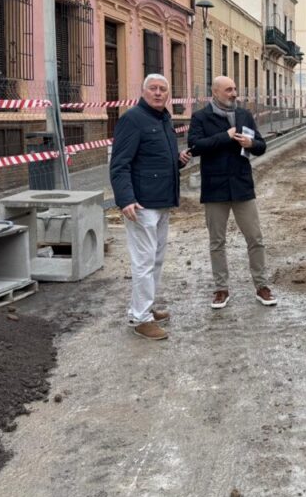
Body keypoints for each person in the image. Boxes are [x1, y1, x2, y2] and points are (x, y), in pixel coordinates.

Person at [109, 74, 191, 341]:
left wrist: (176, 161)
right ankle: (140, 318)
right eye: (153, 89)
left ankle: (146, 307)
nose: (158, 93)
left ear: (168, 94)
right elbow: (120, 163)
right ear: (143, 92)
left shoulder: (163, 119)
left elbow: (153, 157)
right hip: (142, 204)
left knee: (155, 259)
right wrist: (125, 199)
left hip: (162, 200)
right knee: (143, 262)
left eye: (163, 89)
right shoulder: (132, 119)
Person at [188, 75, 276, 310]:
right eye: (229, 90)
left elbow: (261, 146)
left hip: (242, 186)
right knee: (217, 241)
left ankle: (261, 286)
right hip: (214, 188)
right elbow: (195, 147)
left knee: (255, 238)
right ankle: (221, 289)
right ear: (215, 92)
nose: (234, 93)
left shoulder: (244, 115)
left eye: (235, 89)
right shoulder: (200, 117)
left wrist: (251, 144)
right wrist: (224, 137)